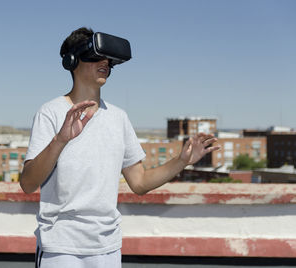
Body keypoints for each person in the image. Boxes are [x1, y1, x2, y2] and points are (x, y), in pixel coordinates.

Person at [20, 27, 220, 268]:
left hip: (107, 248)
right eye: (95, 57)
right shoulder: (50, 113)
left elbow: (140, 182)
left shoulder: (119, 118)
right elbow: (28, 183)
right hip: (61, 248)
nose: (105, 63)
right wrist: (61, 140)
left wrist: (182, 161)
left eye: (108, 60)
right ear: (71, 61)